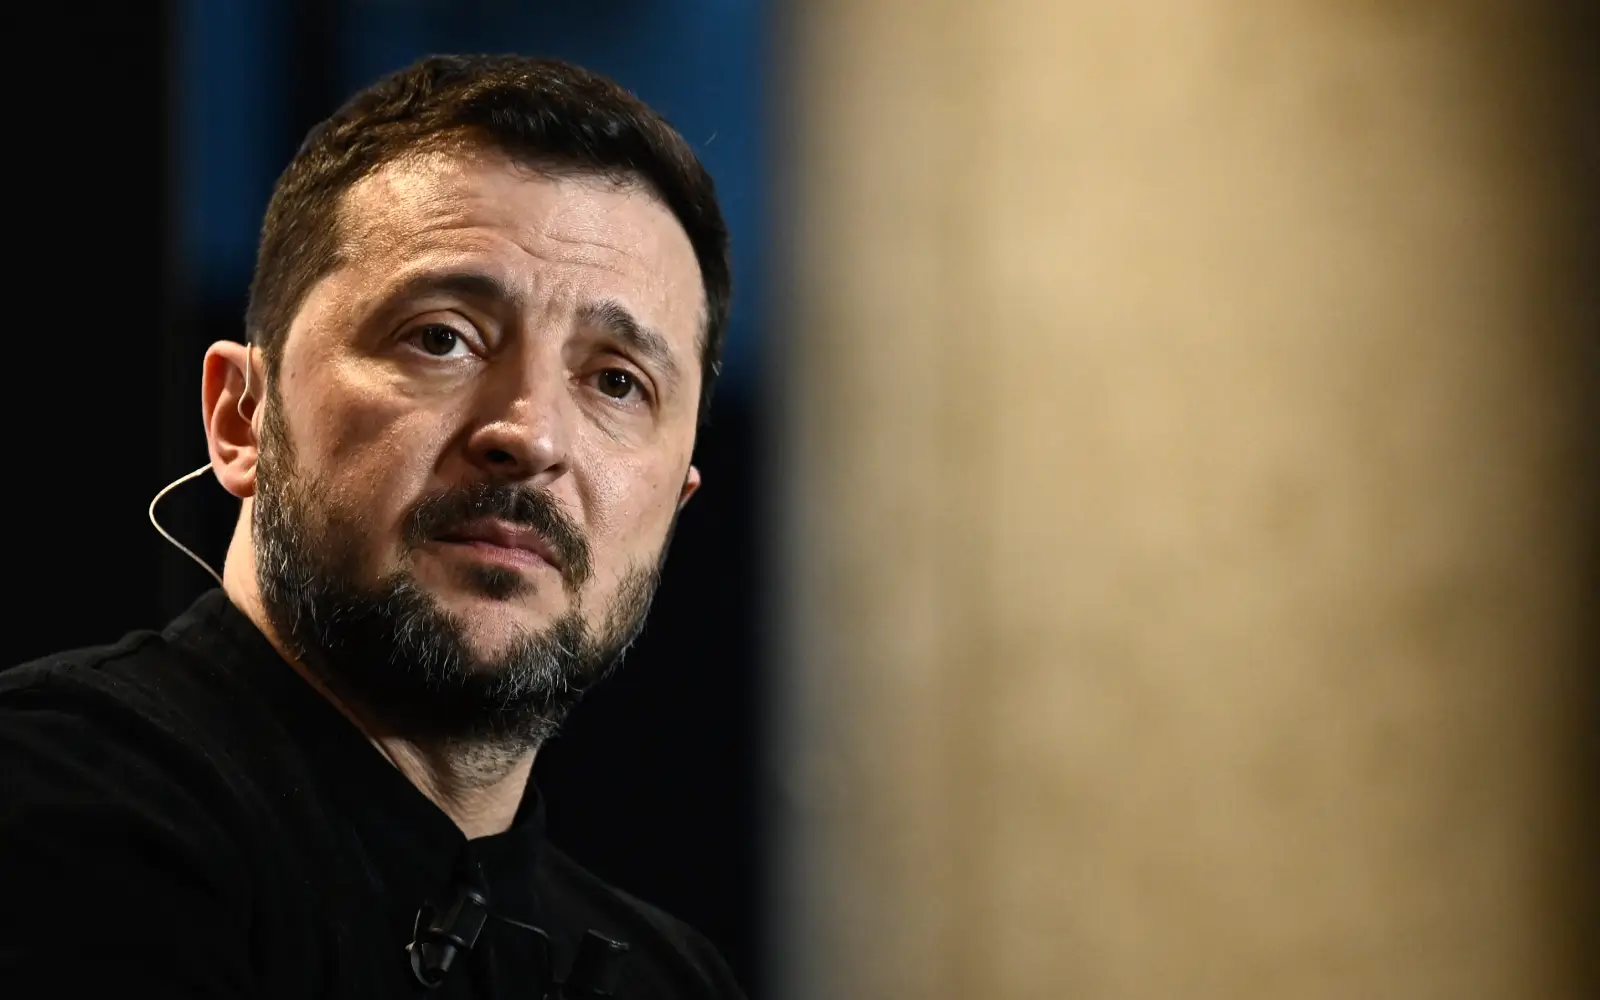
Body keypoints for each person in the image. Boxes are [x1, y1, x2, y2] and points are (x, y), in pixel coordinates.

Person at [0, 54, 744, 998]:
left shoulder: (673, 980)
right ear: (242, 418)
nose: (531, 435)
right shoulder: (51, 808)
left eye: (616, 382)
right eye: (442, 337)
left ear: (674, 505)